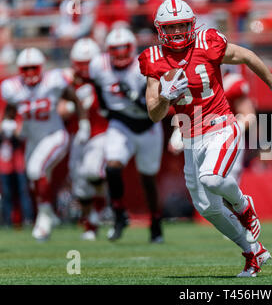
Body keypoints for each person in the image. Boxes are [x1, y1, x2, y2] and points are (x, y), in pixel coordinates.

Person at [139, 0, 272, 277]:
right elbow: (154, 113)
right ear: (160, 29)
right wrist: (165, 96)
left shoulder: (208, 42)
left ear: (191, 24)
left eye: (183, 25)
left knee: (211, 177)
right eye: (171, 27)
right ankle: (252, 251)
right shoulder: (154, 59)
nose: (177, 32)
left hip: (221, 126)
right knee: (207, 208)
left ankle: (245, 206)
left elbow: (247, 56)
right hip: (190, 136)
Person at [0, 47, 90, 241]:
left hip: (55, 135)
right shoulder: (13, 88)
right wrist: (7, 122)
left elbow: (74, 97)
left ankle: (44, 217)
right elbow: (11, 107)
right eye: (26, 68)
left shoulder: (54, 81)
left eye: (34, 68)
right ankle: (48, 218)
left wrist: (83, 123)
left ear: (41, 67)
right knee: (36, 180)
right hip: (33, 140)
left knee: (35, 170)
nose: (31, 72)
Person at [89, 27, 164, 243]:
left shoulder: (144, 65)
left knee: (148, 179)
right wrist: (105, 108)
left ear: (132, 48)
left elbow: (154, 106)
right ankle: (119, 213)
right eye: (115, 49)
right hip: (120, 122)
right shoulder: (99, 65)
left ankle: (156, 223)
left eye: (124, 49)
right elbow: (97, 87)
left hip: (147, 124)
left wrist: (133, 96)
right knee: (112, 167)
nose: (120, 54)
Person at [58, 37, 108, 241]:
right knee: (79, 183)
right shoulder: (68, 82)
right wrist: (71, 107)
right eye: (81, 63)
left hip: (100, 133)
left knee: (92, 170)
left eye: (88, 63)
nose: (85, 68)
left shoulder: (105, 78)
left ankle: (106, 204)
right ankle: (91, 223)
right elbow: (60, 110)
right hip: (78, 136)